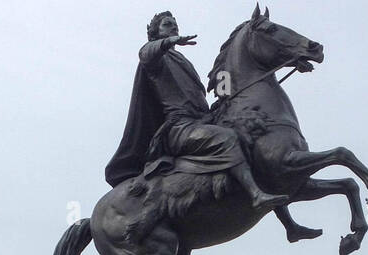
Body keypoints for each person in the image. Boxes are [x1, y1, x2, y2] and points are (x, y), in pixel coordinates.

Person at [104, 11, 287, 210]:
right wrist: (168, 42)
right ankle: (255, 194)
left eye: (175, 24)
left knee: (253, 141)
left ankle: (289, 223)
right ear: (155, 33)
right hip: (179, 128)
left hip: (201, 120)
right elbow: (146, 53)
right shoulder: (155, 59)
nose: (173, 27)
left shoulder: (182, 60)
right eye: (167, 24)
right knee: (227, 138)